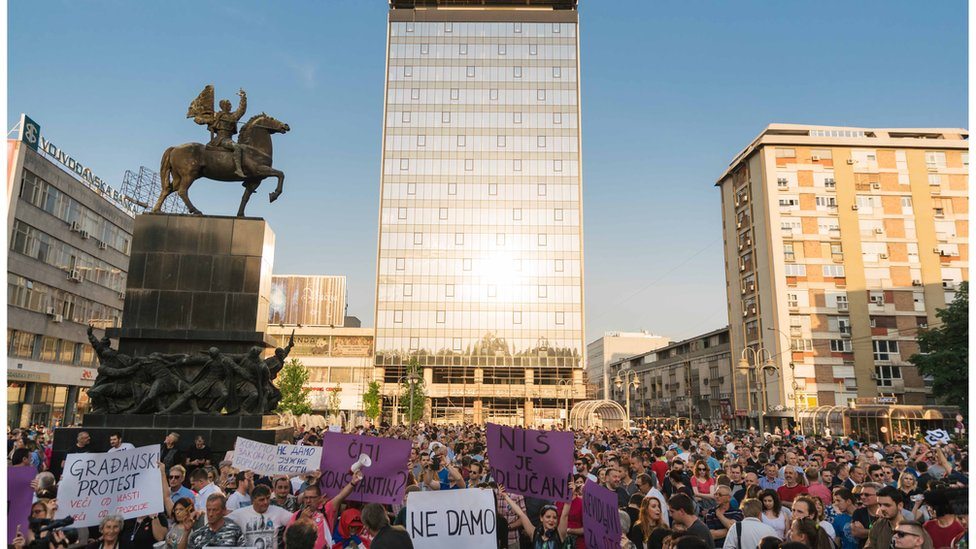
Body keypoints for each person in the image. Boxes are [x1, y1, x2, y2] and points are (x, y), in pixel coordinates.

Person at [286, 471, 363, 549]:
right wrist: (301, 520)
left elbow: (341, 496)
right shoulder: (297, 515)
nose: (308, 501)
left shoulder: (326, 510)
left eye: (312, 498)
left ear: (319, 498)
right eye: (306, 497)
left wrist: (353, 482)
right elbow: (287, 538)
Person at [500, 486, 569, 548]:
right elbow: (521, 514)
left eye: (554, 517)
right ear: (541, 518)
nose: (551, 520)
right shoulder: (534, 533)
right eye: (548, 517)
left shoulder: (560, 534)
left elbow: (564, 515)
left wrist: (570, 492)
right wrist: (505, 496)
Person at [227, 484, 293, 549]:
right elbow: (222, 522)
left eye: (268, 498)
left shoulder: (278, 511)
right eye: (261, 500)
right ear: (253, 500)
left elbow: (296, 519)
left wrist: (287, 533)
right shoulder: (240, 514)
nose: (266, 502)